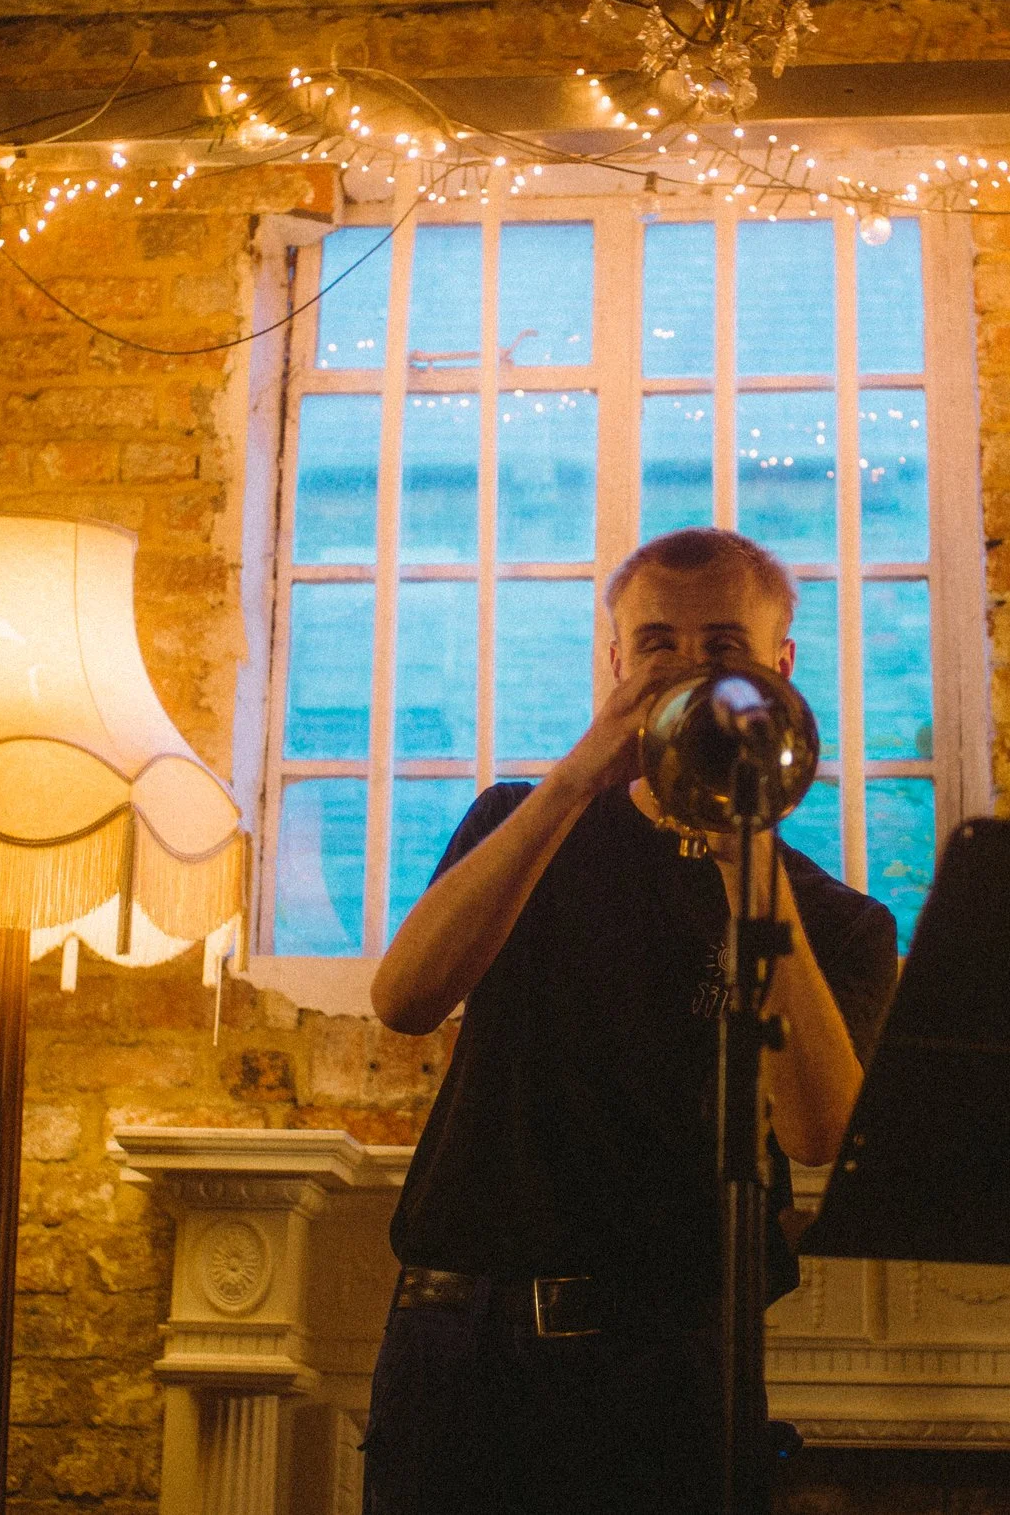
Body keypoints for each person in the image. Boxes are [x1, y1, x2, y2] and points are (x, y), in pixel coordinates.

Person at [361, 527, 901, 1515]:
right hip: (463, 1340)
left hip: (670, 1358)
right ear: (613, 661)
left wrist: (747, 847)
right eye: (656, 643)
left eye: (724, 646)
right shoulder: (517, 824)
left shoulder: (839, 922)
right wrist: (576, 776)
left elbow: (821, 1129)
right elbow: (404, 999)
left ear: (780, 669)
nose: (689, 668)